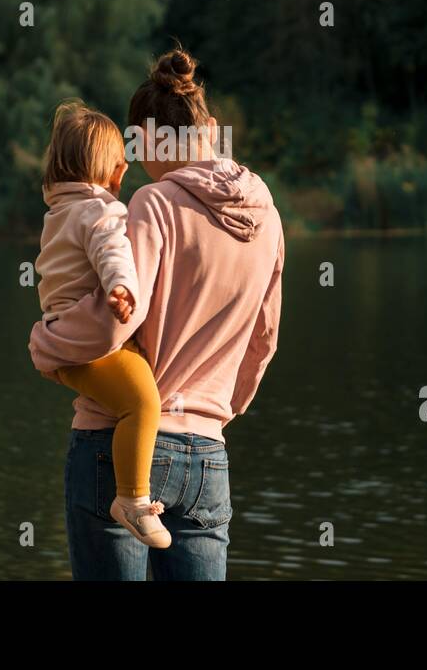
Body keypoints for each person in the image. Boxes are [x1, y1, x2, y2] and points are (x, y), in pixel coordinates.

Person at [29, 48, 285, 580]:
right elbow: (264, 339)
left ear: (144, 142)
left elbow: (112, 322)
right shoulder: (267, 212)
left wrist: (46, 342)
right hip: (208, 456)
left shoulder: (154, 204)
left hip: (116, 447)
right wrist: (214, 414)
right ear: (210, 128)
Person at [34, 100, 170, 549]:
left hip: (65, 341)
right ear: (113, 173)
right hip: (91, 348)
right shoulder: (100, 212)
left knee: (133, 385)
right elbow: (113, 251)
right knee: (143, 402)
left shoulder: (58, 212)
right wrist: (122, 289)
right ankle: (131, 499)